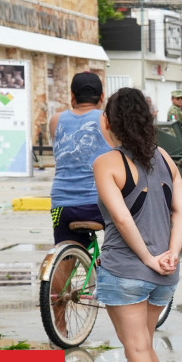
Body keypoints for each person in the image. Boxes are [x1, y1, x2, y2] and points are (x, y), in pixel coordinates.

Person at [94, 87, 182, 362]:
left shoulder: (107, 163)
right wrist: (171, 253)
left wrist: (148, 258)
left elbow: (120, 217)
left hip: (126, 271)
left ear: (108, 122)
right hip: (165, 273)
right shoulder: (164, 157)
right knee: (145, 346)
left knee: (135, 349)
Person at [49, 73, 113, 247]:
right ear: (101, 96)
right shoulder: (109, 120)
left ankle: (64, 268)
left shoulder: (56, 120)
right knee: (122, 245)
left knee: (65, 255)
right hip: (100, 205)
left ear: (72, 96)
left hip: (62, 205)